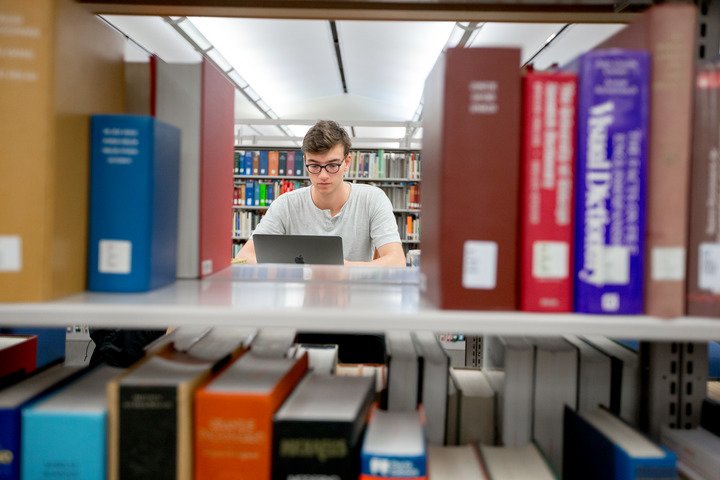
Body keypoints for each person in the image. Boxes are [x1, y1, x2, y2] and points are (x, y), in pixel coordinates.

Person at [235, 120, 407, 267]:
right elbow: (244, 257)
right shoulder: (285, 204)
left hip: (354, 297)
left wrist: (343, 268)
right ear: (304, 162)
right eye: (314, 166)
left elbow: (397, 262)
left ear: (347, 162)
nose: (323, 175)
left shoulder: (373, 199)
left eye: (332, 165)